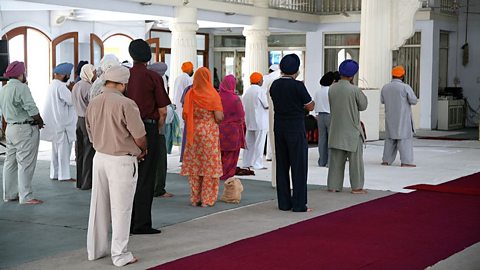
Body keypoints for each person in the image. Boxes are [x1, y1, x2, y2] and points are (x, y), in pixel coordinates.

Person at [86, 65, 146, 267]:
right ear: (123, 83)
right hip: (121, 160)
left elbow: (90, 132)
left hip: (100, 158)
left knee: (98, 206)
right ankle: (119, 255)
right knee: (121, 208)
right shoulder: (126, 104)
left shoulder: (93, 102)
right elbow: (139, 136)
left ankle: (96, 250)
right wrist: (143, 150)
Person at [127, 39, 171, 234]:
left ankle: (126, 222)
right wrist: (158, 130)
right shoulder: (153, 77)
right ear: (149, 56)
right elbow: (162, 111)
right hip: (148, 128)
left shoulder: (125, 76)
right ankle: (141, 223)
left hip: (126, 130)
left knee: (127, 177)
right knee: (145, 177)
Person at [270, 54, 314, 212]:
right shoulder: (298, 86)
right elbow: (310, 106)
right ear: (296, 69)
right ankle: (299, 204)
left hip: (279, 127)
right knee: (298, 166)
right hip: (295, 128)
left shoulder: (274, 85)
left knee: (282, 165)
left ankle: (284, 203)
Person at [0, 61, 44, 204]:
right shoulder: (22, 88)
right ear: (20, 74)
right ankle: (26, 196)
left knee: (10, 163)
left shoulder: (4, 89)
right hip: (24, 129)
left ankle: (9, 194)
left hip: (10, 128)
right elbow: (31, 108)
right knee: (25, 163)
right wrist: (40, 121)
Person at [181, 67, 224, 207]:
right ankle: (207, 199)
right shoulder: (212, 95)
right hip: (209, 134)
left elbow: (185, 115)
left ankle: (195, 199)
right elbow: (218, 117)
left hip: (193, 133)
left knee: (196, 166)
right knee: (209, 166)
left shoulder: (191, 94)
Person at [327, 59, 368, 194]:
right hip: (352, 132)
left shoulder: (332, 88)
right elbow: (363, 106)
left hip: (335, 130)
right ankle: (357, 187)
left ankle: (333, 186)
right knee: (355, 163)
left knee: (335, 162)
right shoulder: (354, 89)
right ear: (352, 75)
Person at [41, 62, 76, 182]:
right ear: (63, 75)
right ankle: (64, 176)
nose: (69, 77)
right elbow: (71, 101)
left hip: (55, 124)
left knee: (55, 152)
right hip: (63, 125)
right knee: (64, 152)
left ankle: (55, 174)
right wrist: (72, 90)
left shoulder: (52, 85)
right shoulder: (61, 86)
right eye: (68, 74)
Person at [381, 66, 418, 167]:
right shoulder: (405, 87)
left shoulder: (385, 87)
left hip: (390, 118)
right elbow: (414, 100)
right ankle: (406, 161)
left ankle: (386, 160)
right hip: (403, 119)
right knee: (404, 140)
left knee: (389, 139)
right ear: (402, 76)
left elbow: (382, 101)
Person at [148, 62, 174, 198]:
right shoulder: (158, 81)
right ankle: (159, 189)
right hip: (157, 125)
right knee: (159, 158)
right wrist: (160, 127)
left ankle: (149, 187)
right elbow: (163, 110)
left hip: (144, 125)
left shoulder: (144, 80)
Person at [72, 64, 97, 190]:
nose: (95, 75)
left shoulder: (76, 85)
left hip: (78, 120)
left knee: (80, 151)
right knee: (88, 152)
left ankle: (80, 181)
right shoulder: (89, 87)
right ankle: (87, 182)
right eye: (93, 72)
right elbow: (93, 105)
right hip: (87, 121)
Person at [218, 75, 246, 180]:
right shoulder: (235, 99)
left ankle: (219, 172)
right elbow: (241, 115)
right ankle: (227, 173)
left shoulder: (217, 96)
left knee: (220, 153)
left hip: (219, 129)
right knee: (231, 154)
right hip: (233, 131)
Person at [242, 72, 269, 170]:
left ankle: (246, 163)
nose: (263, 81)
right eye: (262, 79)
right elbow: (266, 105)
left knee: (249, 144)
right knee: (259, 144)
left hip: (249, 121)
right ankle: (258, 164)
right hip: (260, 122)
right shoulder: (260, 91)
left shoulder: (247, 91)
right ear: (258, 81)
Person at [314, 71, 340, 167]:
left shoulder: (318, 91)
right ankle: (330, 162)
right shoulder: (331, 91)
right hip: (330, 115)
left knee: (322, 140)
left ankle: (322, 161)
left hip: (320, 116)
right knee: (331, 139)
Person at [263, 64, 281, 162]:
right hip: (271, 107)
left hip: (262, 109)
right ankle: (270, 154)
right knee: (272, 132)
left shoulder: (264, 78)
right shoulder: (276, 77)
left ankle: (267, 154)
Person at [173, 61, 194, 132]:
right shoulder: (188, 79)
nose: (193, 71)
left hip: (176, 104)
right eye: (192, 69)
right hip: (184, 106)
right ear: (189, 69)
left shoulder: (178, 78)